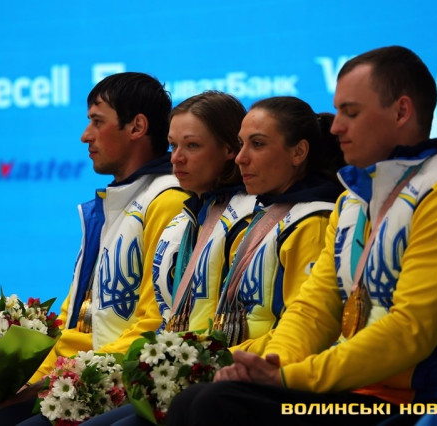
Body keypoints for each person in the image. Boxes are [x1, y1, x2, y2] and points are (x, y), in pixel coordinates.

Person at [167, 45, 437, 426]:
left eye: (350, 113)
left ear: (401, 111)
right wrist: (272, 365)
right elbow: (314, 307)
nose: (336, 127)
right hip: (353, 392)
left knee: (216, 405)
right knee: (194, 401)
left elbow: (410, 330)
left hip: (424, 403)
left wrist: (290, 377)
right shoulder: (353, 198)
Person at [0, 72, 189, 426]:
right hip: (61, 380)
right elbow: (73, 318)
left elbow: (154, 326)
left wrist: (45, 385)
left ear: (136, 126)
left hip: (101, 385)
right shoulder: (111, 206)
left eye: (97, 122)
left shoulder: (167, 201)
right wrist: (27, 382)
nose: (85, 135)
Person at [86, 95, 345, 426]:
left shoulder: (305, 221)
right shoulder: (217, 215)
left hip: (265, 378)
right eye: (173, 145)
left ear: (299, 152)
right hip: (223, 370)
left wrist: (211, 362)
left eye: (257, 144)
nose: (242, 158)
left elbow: (304, 325)